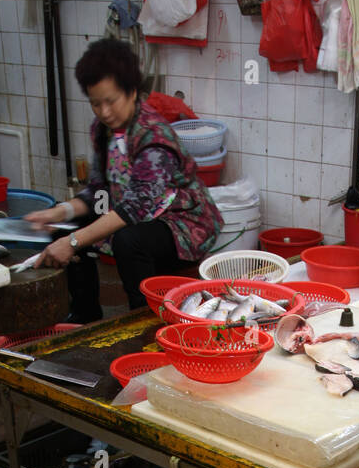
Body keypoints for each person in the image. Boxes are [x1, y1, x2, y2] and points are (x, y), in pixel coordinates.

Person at [26, 39, 224, 319]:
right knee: (65, 226)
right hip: (135, 215)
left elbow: (136, 207)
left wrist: (73, 242)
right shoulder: (103, 130)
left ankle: (141, 320)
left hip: (182, 223)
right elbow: (98, 191)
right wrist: (57, 213)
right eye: (96, 103)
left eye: (111, 101)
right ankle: (85, 317)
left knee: (128, 241)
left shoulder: (153, 135)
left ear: (131, 92)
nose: (104, 112)